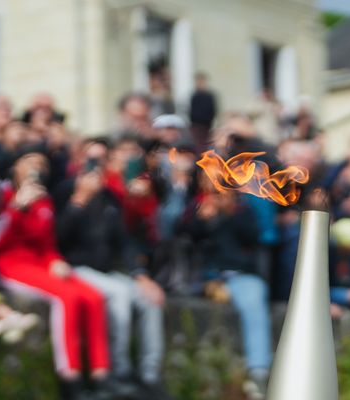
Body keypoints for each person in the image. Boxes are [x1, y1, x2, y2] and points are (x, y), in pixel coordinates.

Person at [0, 148, 114, 400]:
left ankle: (100, 377)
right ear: (15, 167)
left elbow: (47, 243)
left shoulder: (44, 200)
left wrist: (56, 260)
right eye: (30, 161)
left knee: (93, 296)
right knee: (67, 297)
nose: (37, 167)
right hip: (10, 264)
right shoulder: (1, 195)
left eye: (41, 164)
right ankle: (70, 377)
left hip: (40, 263)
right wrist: (15, 207)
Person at [54, 138, 172, 399]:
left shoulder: (110, 197)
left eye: (100, 160)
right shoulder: (64, 190)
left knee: (150, 298)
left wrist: (141, 277)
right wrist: (79, 200)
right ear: (78, 161)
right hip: (73, 268)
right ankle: (119, 373)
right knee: (118, 296)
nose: (94, 166)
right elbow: (56, 238)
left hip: (106, 271)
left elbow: (125, 242)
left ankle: (149, 376)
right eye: (90, 159)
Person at [180, 187, 271, 399]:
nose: (218, 199)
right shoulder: (198, 210)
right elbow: (183, 233)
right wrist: (204, 219)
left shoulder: (242, 213)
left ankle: (258, 371)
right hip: (204, 279)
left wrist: (227, 213)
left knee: (254, 303)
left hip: (239, 276)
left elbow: (253, 235)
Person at [189, 72, 217, 152]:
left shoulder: (209, 96)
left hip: (206, 124)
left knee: (205, 143)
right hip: (196, 125)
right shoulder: (194, 95)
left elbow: (213, 110)